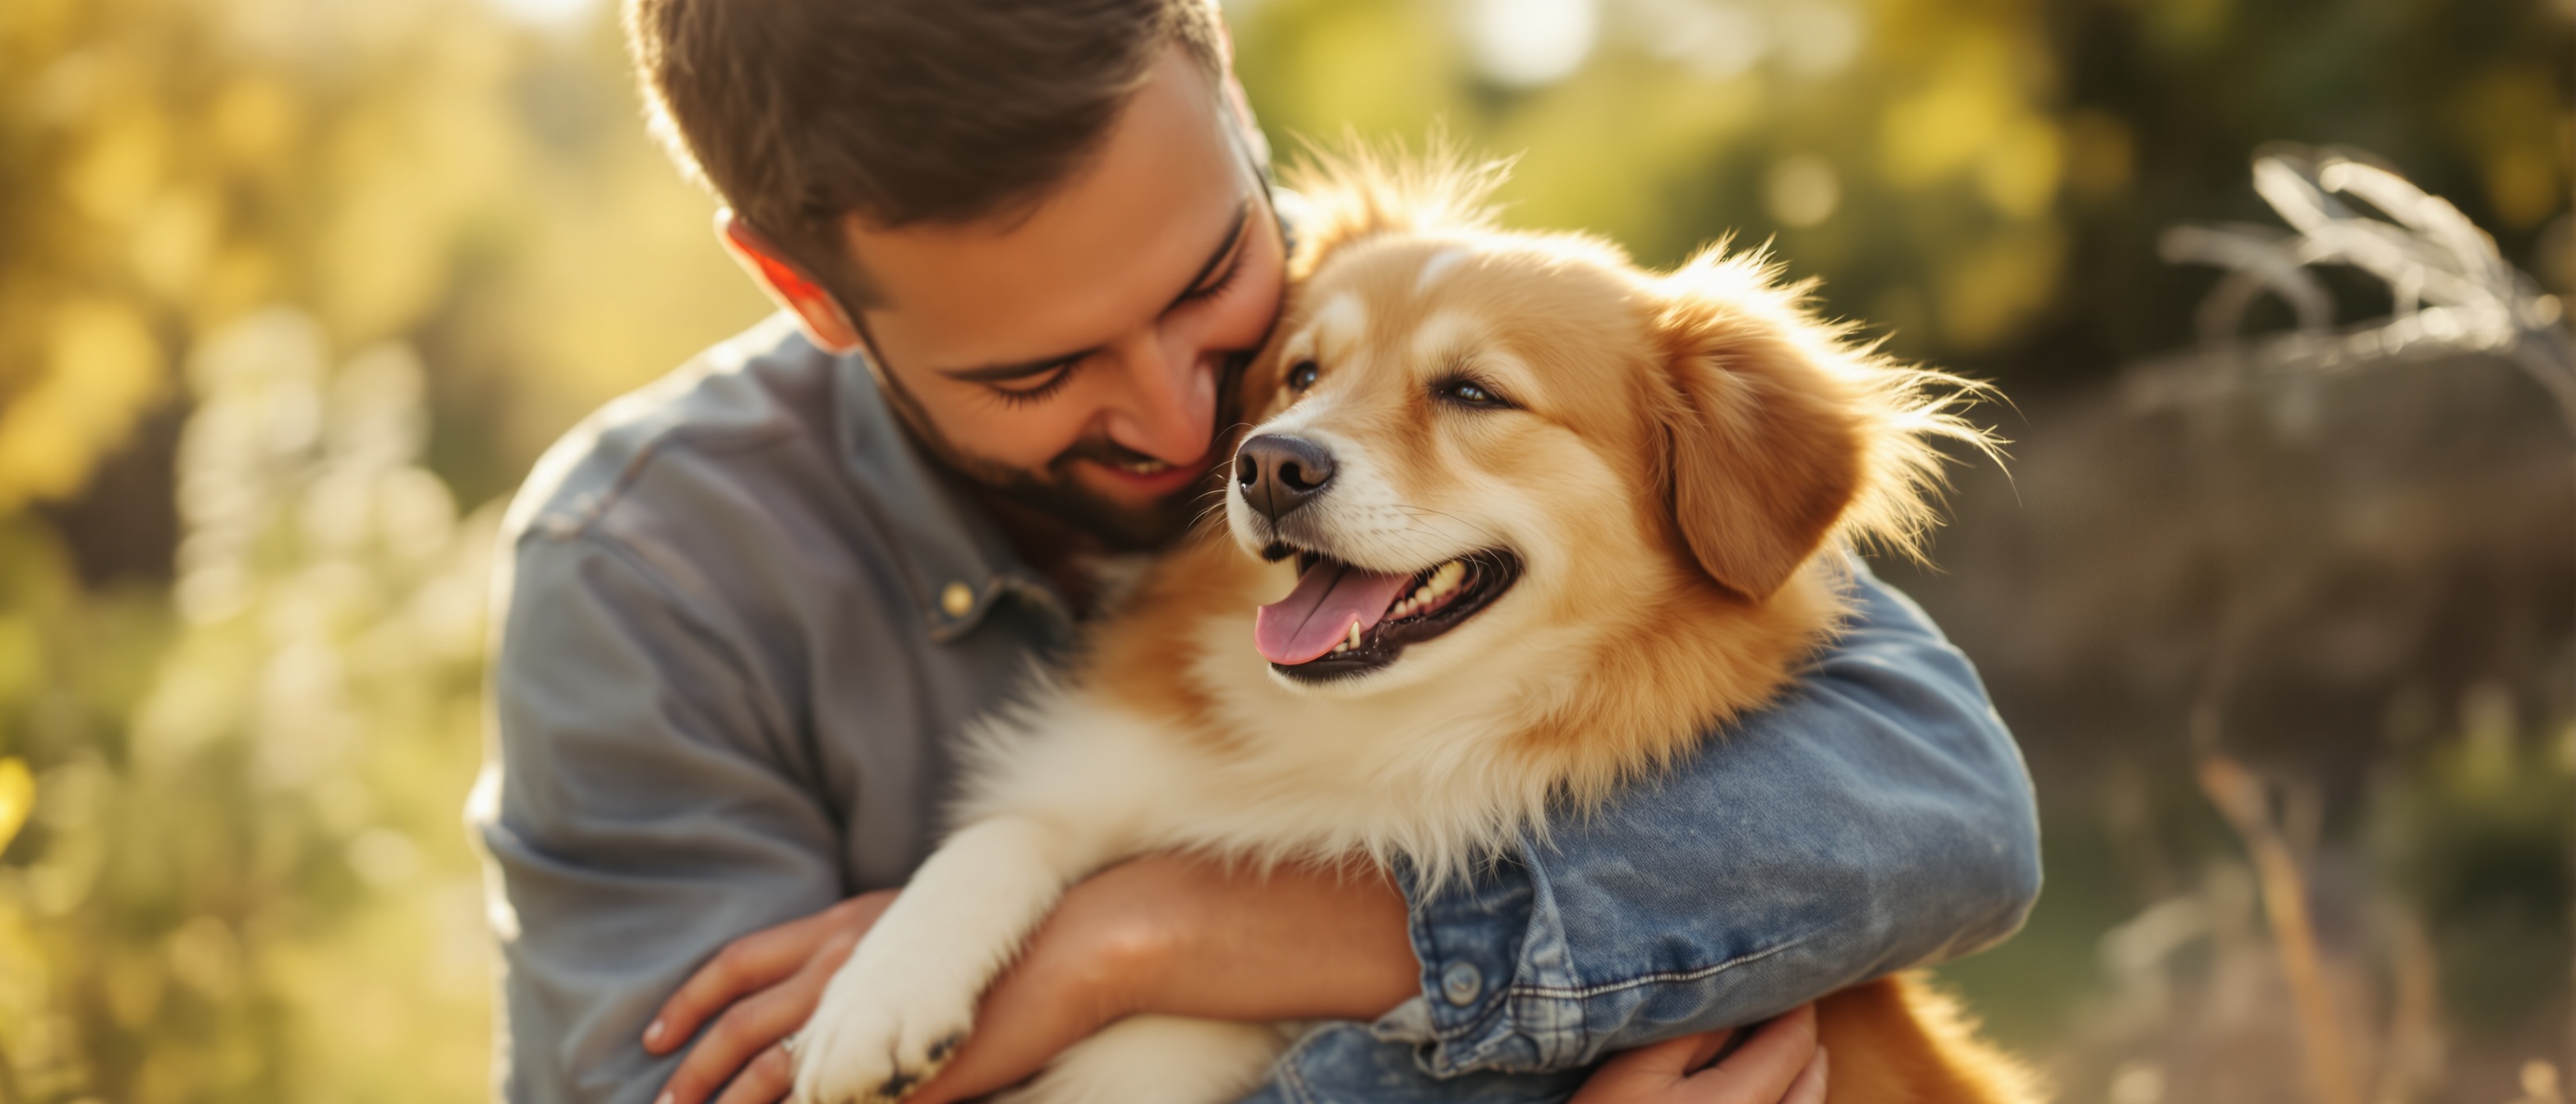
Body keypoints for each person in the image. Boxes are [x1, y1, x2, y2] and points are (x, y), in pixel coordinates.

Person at [467, 2, 2044, 1102]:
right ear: (808, 295)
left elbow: (1940, 802)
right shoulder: (644, 580)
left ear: (1231, 99)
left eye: (1216, 280)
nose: (1194, 425)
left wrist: (1137, 935)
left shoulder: (1394, 298)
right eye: (1036, 373)